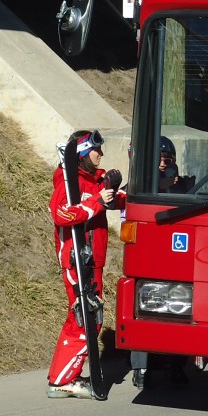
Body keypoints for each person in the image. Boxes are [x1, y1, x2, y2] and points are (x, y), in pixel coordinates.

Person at [47, 128, 125, 398]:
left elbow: (114, 202)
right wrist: (98, 201)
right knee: (84, 319)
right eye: (96, 150)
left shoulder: (94, 180)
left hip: (93, 261)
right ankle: (62, 380)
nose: (101, 155)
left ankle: (65, 377)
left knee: (89, 318)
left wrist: (115, 192)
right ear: (81, 152)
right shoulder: (68, 181)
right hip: (76, 260)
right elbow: (61, 214)